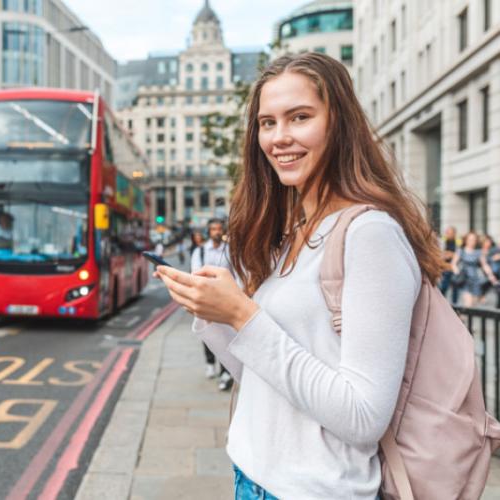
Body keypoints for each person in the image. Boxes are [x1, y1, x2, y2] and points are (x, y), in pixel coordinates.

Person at [155, 53, 445, 498]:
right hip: (253, 474)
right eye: (267, 123)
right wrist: (214, 314)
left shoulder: (370, 234)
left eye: (300, 117)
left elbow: (363, 417)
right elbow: (267, 382)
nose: (279, 138)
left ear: (339, 124)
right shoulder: (296, 232)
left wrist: (244, 316)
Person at [191, 218, 233, 391]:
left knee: (226, 336)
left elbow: (235, 273)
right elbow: (195, 275)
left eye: (219, 228)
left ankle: (225, 370)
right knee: (207, 333)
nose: (216, 231)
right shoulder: (200, 252)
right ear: (209, 232)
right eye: (213, 229)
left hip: (225, 299)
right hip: (206, 300)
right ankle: (210, 363)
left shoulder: (230, 250)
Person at [452, 231, 497, 307]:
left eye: (474, 240)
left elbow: (485, 265)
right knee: (468, 304)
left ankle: (462, 317)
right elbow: (453, 264)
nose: (472, 242)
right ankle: (461, 317)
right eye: (470, 239)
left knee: (473, 305)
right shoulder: (461, 251)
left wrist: (491, 277)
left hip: (475, 280)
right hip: (465, 280)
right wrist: (457, 272)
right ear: (466, 240)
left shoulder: (478, 252)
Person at [438, 226, 459, 303]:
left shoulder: (458, 243)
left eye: (450, 233)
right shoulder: (442, 242)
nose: (448, 234)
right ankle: (442, 303)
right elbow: (439, 253)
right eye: (447, 233)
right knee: (444, 287)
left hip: (454, 268)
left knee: (455, 287)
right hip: (445, 267)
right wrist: (446, 254)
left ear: (454, 233)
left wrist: (452, 254)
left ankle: (455, 306)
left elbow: (459, 253)